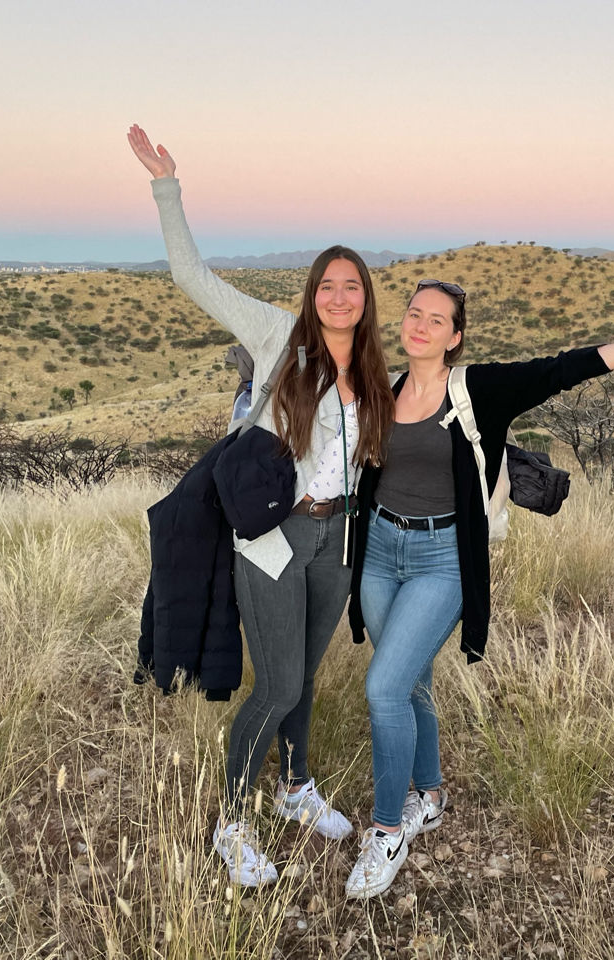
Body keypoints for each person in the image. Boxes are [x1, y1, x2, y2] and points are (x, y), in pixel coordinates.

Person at [342, 279, 614, 898]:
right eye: (414, 314)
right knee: (408, 680)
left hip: (444, 557)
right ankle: (430, 794)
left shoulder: (478, 390)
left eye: (436, 320)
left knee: (383, 686)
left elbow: (561, 370)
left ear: (455, 336)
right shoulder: (385, 393)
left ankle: (388, 829)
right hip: (381, 553)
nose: (420, 325)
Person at [127, 125, 395, 887]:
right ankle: (232, 823)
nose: (339, 296)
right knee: (274, 685)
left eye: (352, 286)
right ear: (312, 295)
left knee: (303, 677)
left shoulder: (376, 371)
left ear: (365, 300)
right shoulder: (279, 337)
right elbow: (192, 276)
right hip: (274, 537)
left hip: (337, 538)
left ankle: (295, 788)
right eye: (327, 284)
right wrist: (167, 187)